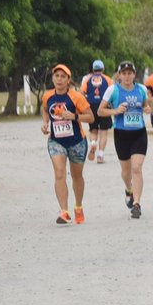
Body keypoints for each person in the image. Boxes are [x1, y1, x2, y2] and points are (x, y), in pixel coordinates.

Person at [98, 61, 151, 218]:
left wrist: (147, 108)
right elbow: (100, 111)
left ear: (134, 74)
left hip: (139, 133)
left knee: (137, 168)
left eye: (130, 73)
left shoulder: (141, 89)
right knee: (126, 171)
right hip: (121, 134)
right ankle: (129, 188)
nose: (127, 76)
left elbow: (146, 105)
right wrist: (115, 110)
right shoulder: (112, 90)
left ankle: (137, 204)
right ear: (119, 75)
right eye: (124, 73)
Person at [41, 63, 93, 224]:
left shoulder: (76, 97)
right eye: (56, 76)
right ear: (52, 78)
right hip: (56, 141)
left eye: (63, 76)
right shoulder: (47, 96)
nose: (59, 79)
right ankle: (64, 211)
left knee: (77, 175)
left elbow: (90, 117)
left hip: (77, 141)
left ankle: (78, 206)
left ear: (68, 80)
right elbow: (45, 110)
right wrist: (45, 124)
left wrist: (74, 116)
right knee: (59, 173)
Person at [80, 59, 113, 163]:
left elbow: (81, 93)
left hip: (92, 106)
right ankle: (100, 155)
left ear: (93, 69)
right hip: (104, 107)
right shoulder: (108, 79)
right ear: (103, 69)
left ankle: (93, 142)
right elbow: (113, 92)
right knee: (104, 132)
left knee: (93, 129)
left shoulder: (87, 79)